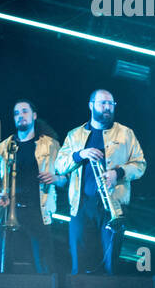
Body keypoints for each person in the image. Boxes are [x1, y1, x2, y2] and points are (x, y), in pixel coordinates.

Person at [56, 89, 146, 275]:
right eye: (102, 103)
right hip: (81, 206)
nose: (107, 107)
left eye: (110, 104)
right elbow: (59, 166)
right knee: (79, 263)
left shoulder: (126, 133)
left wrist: (118, 173)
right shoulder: (75, 135)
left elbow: (140, 164)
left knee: (111, 265)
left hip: (113, 206)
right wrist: (80, 154)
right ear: (91, 105)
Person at [0, 100, 62, 274]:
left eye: (25, 111)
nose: (21, 116)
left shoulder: (51, 145)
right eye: (17, 113)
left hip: (39, 212)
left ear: (34, 116)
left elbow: (67, 178)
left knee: (45, 264)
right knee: (0, 262)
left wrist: (55, 178)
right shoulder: (1, 148)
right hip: (7, 212)